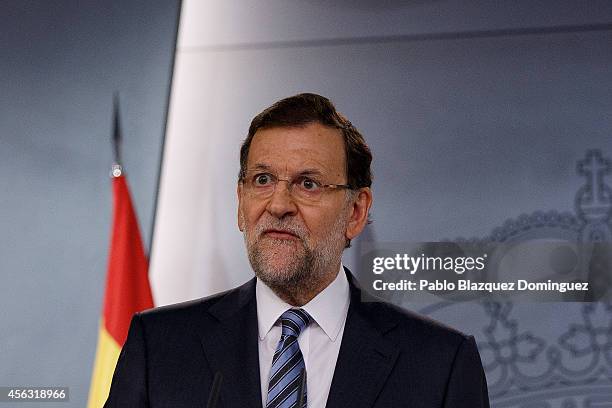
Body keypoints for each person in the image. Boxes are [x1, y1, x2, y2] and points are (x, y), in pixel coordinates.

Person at [104, 93, 490, 407]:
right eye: (262, 179)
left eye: (308, 184)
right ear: (241, 203)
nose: (278, 204)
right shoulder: (159, 348)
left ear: (355, 212)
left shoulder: (440, 365)